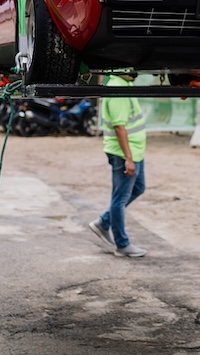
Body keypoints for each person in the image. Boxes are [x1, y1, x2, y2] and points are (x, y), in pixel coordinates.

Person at [88, 70, 148, 258]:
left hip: (135, 151)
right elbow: (119, 126)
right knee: (119, 199)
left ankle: (104, 222)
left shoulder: (125, 84)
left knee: (138, 187)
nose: (136, 72)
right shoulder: (117, 89)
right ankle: (122, 244)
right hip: (124, 153)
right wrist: (128, 158)